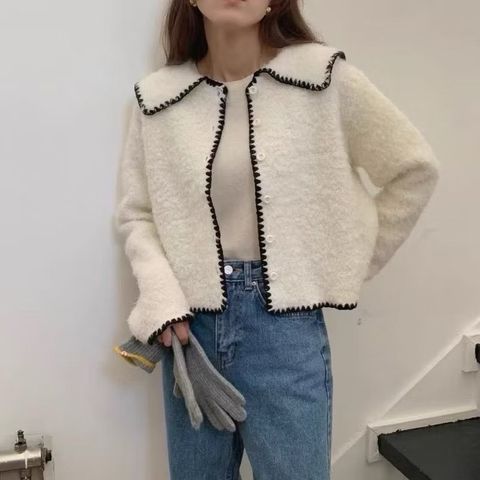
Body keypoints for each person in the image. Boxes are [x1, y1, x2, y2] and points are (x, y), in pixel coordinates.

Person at [114, 0, 440, 478]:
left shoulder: (323, 79)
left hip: (284, 333)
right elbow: (137, 214)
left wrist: (343, 262)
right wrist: (161, 298)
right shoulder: (159, 98)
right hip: (189, 335)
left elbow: (414, 170)